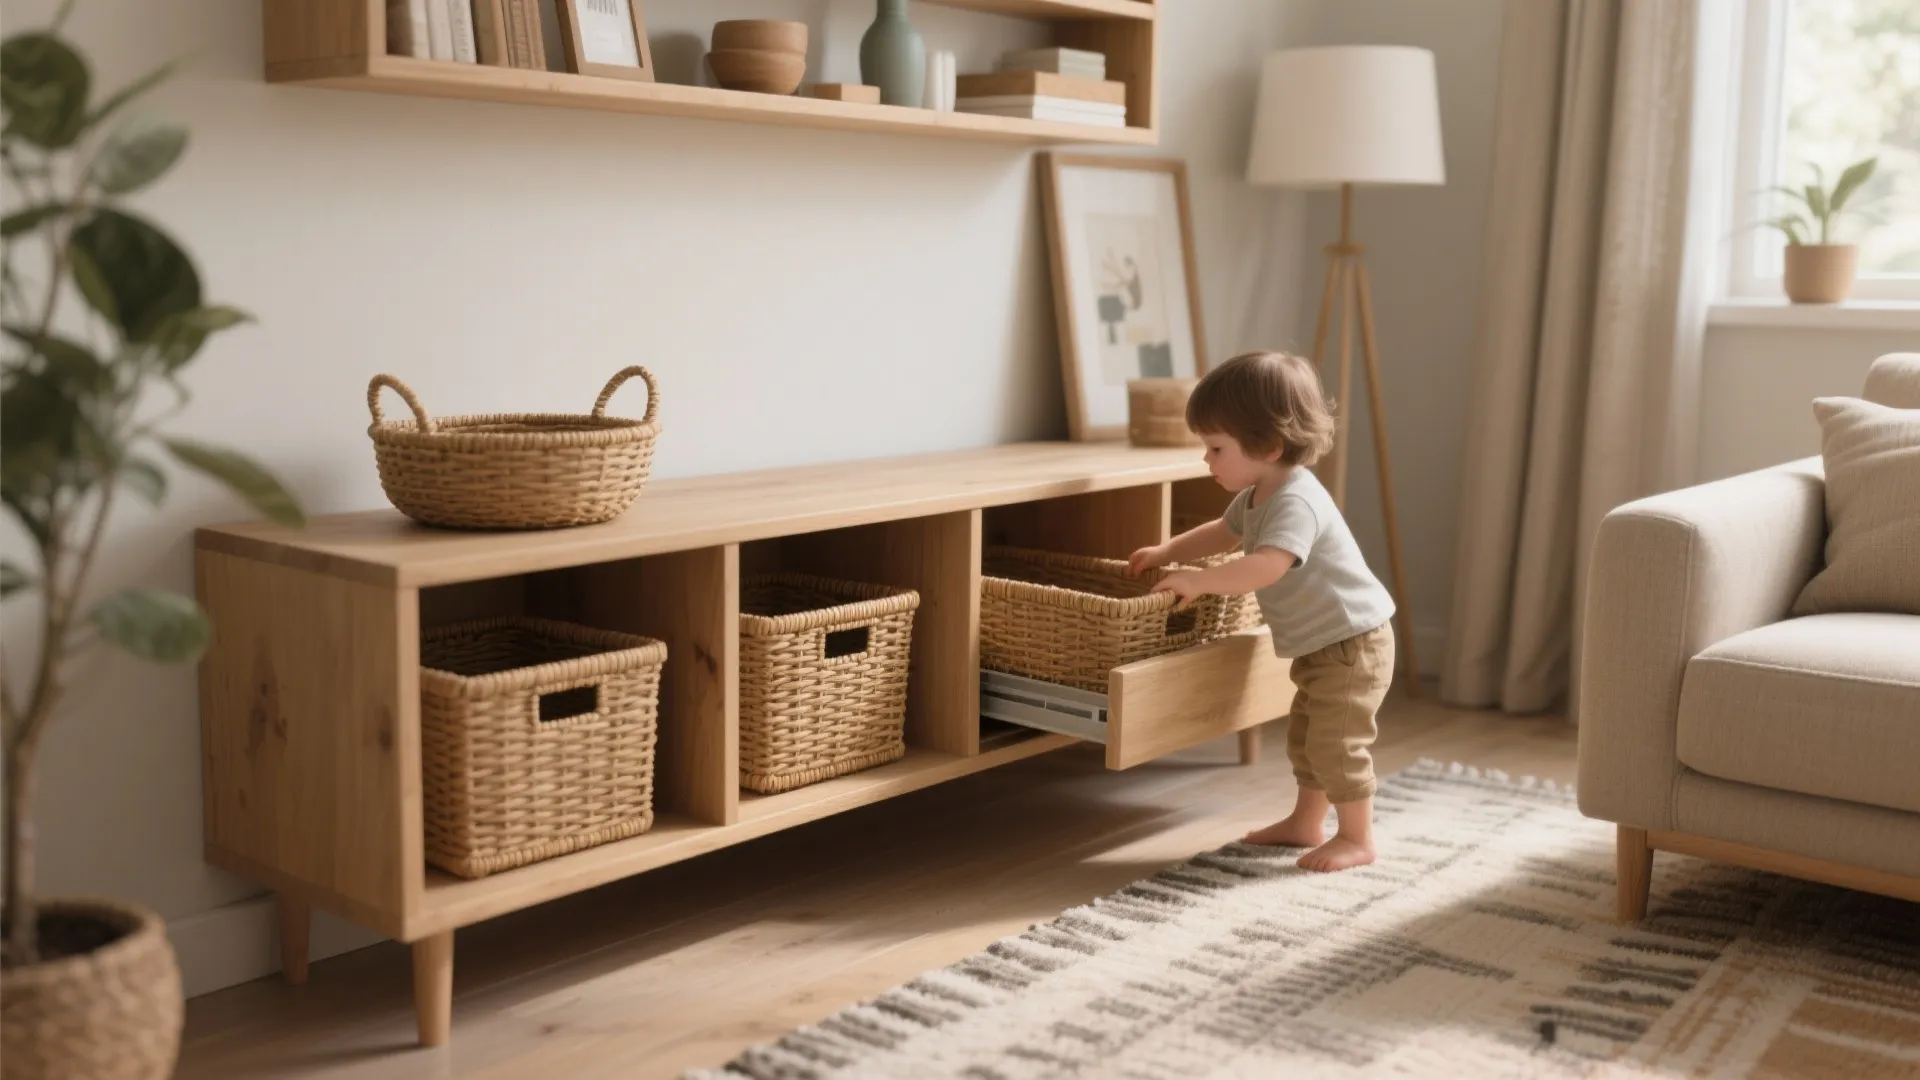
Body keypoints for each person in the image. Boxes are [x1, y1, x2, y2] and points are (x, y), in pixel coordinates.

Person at [1128, 351, 1397, 872]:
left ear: (1269, 446)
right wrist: (1168, 552)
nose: (1206, 461)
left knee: (1337, 743)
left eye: (1215, 448)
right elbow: (1222, 532)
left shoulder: (1296, 500)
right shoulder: (1258, 492)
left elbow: (1267, 566)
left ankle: (1359, 838)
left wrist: (1202, 582)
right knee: (1306, 739)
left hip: (1352, 641)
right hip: (1323, 643)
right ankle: (1305, 822)